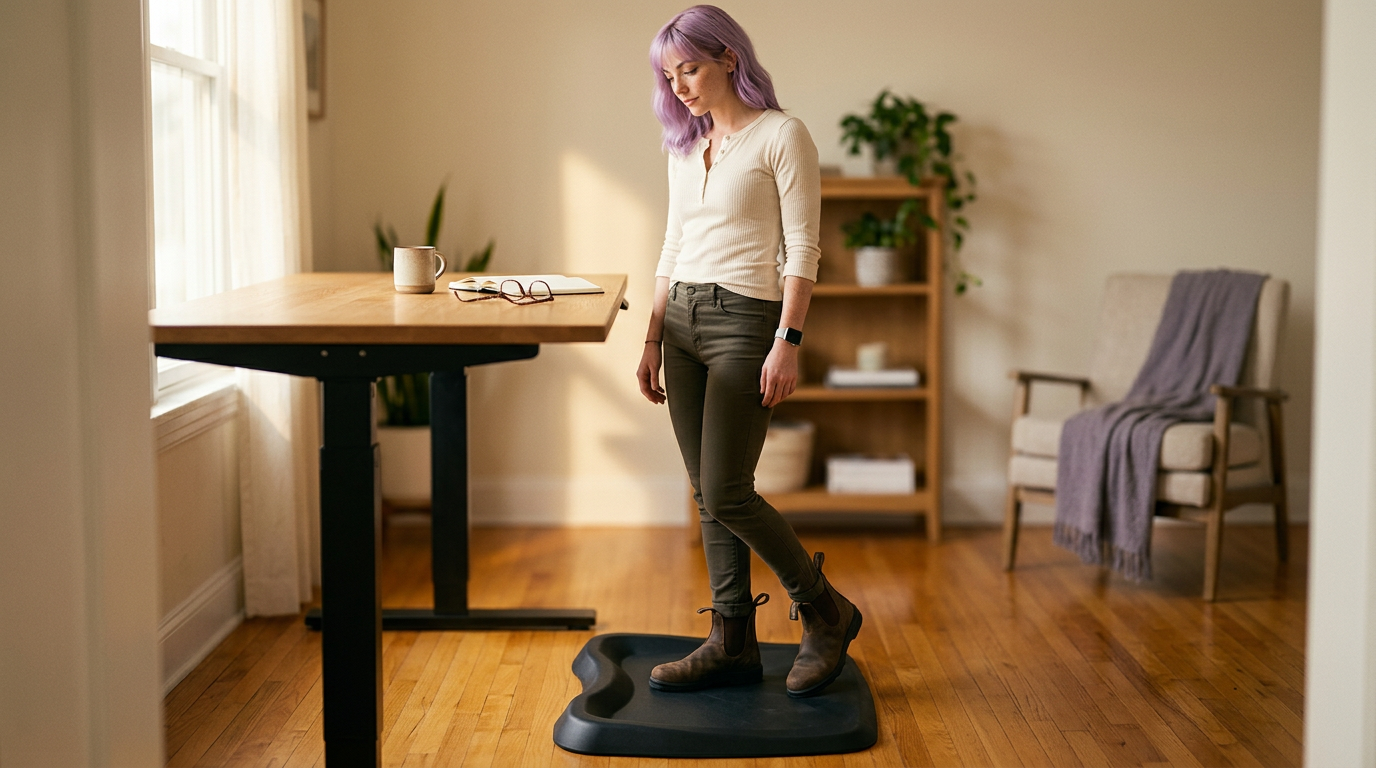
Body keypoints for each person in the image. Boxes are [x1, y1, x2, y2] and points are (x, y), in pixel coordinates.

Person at [635, 4, 862, 699]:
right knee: (708, 491)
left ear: (730, 58)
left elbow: (803, 249)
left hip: (746, 320)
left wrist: (787, 342)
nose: (680, 86)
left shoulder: (782, 135)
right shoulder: (684, 147)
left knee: (729, 488)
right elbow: (673, 245)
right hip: (681, 323)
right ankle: (731, 640)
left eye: (691, 68)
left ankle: (827, 611)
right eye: (669, 75)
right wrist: (650, 335)